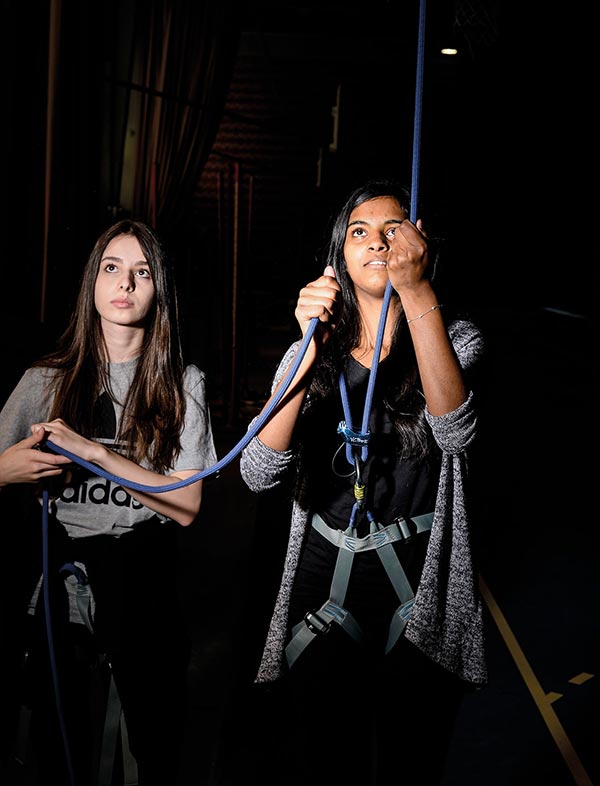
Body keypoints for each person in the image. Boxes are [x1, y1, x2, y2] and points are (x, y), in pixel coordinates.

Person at [236, 178, 488, 786]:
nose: (377, 242)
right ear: (338, 258)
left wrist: (416, 290)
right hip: (325, 589)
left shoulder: (456, 339)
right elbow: (256, 471)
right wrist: (309, 346)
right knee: (329, 762)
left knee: (411, 764)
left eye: (392, 229)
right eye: (359, 232)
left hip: (418, 594)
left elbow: (455, 434)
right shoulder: (310, 352)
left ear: (420, 245)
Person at [0, 219, 218, 786]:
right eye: (112, 268)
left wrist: (91, 452)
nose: (125, 283)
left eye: (142, 272)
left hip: (142, 570)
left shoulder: (181, 382)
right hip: (58, 574)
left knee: (155, 739)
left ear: (158, 290)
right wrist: (4, 470)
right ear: (92, 283)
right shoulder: (43, 381)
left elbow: (188, 504)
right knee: (57, 740)